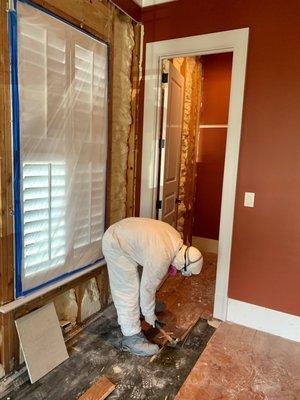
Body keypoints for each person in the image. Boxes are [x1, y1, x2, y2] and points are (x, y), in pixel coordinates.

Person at [102, 217, 203, 356]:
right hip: (116, 243)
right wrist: (150, 316)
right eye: (181, 270)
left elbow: (151, 276)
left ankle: (143, 308)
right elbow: (147, 288)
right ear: (183, 264)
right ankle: (131, 338)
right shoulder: (161, 257)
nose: (178, 272)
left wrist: (148, 308)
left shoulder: (175, 238)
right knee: (127, 290)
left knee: (143, 277)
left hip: (124, 234)